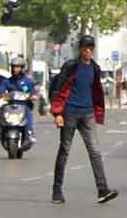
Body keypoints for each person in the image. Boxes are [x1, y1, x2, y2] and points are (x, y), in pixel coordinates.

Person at [48, 35, 119, 206]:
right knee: (64, 151)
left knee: (95, 151)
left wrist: (97, 111)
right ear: (80, 49)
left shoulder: (95, 68)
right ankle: (57, 191)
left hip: (88, 114)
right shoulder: (71, 67)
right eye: (85, 48)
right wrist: (57, 114)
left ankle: (103, 190)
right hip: (70, 113)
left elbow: (95, 91)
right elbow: (57, 89)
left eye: (90, 48)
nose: (88, 51)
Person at [1, 58, 39, 147]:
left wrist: (33, 96)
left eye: (18, 67)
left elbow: (33, 92)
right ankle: (1, 132)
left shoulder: (27, 81)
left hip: (24, 106)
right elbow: (2, 90)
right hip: (11, 106)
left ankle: (29, 134)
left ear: (22, 68)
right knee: (1, 112)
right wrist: (0, 94)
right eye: (14, 67)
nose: (15, 69)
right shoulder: (7, 81)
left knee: (28, 115)